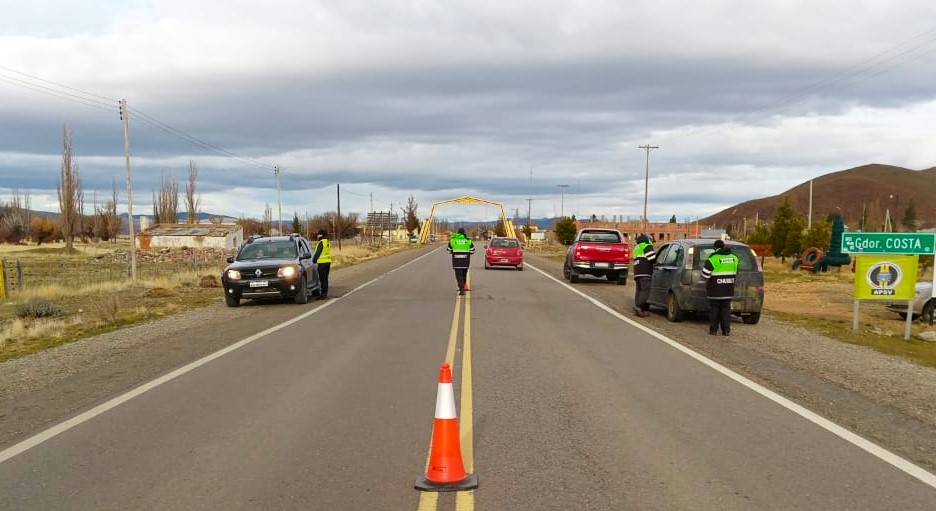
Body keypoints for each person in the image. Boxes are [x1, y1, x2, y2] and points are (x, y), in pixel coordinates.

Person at [701, 239, 739, 336]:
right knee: (726, 311)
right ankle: (726, 331)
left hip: (715, 291)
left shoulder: (712, 259)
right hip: (728, 290)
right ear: (724, 246)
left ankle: (713, 330)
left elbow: (705, 275)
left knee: (714, 310)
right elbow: (736, 272)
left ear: (715, 248)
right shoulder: (734, 258)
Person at [631, 234, 656, 317]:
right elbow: (652, 258)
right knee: (645, 291)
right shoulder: (647, 245)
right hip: (645, 271)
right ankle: (639, 306)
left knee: (639, 290)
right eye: (652, 241)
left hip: (637, 272)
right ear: (649, 240)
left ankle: (639, 309)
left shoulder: (637, 247)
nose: (652, 243)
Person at [447, 228, 475, 295]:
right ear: (464, 233)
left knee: (458, 275)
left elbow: (448, 250)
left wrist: (454, 252)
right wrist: (467, 253)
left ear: (458, 233)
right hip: (465, 261)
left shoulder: (452, 241)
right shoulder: (468, 240)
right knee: (464, 274)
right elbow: (472, 250)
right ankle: (463, 287)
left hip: (456, 261)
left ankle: (461, 289)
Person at [312, 229, 332, 300]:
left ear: (321, 235)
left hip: (322, 263)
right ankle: (324, 293)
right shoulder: (327, 242)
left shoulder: (321, 242)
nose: (317, 235)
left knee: (322, 279)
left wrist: (314, 260)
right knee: (325, 279)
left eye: (318, 234)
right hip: (328, 262)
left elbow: (318, 253)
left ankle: (323, 294)